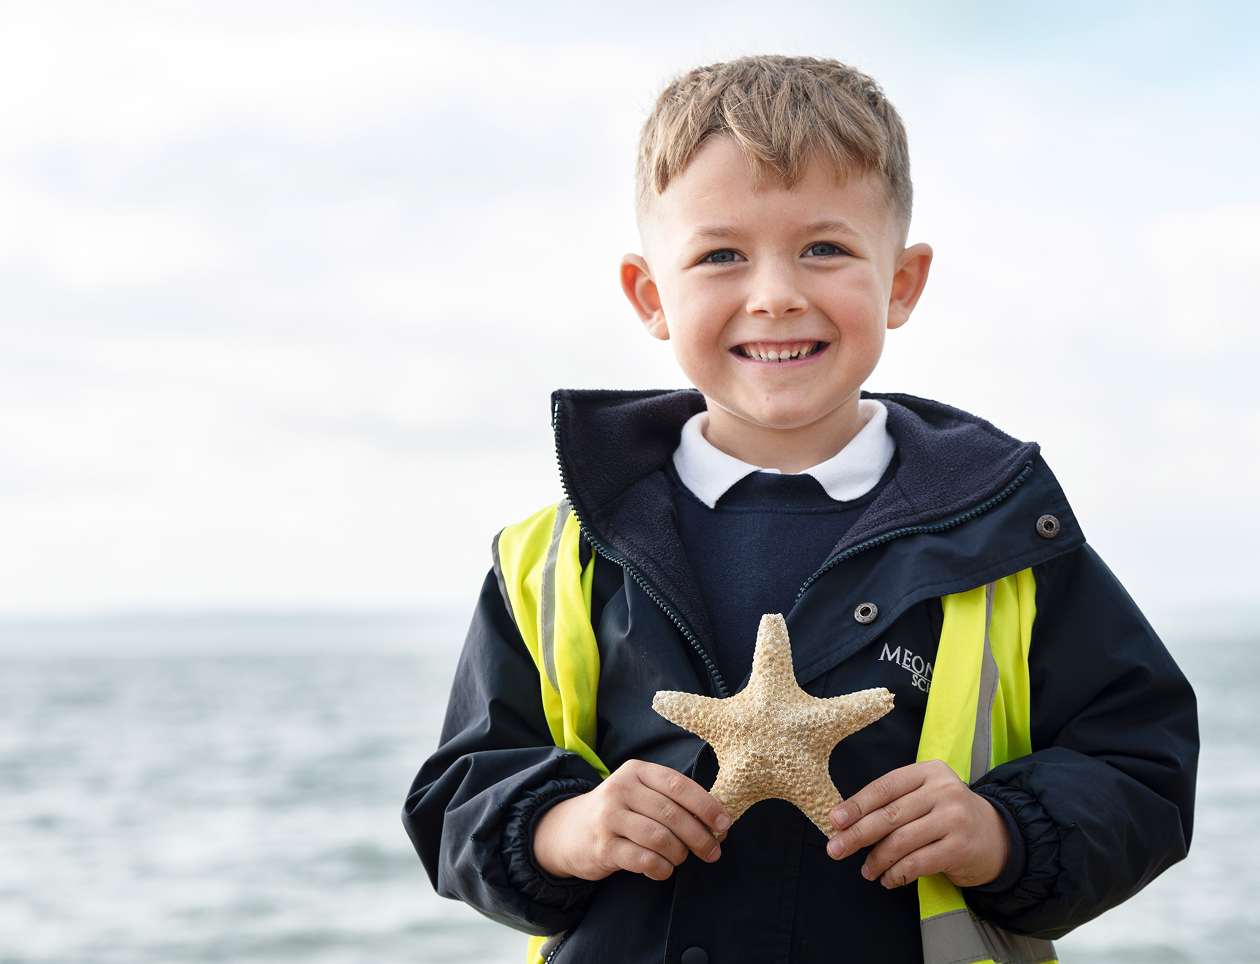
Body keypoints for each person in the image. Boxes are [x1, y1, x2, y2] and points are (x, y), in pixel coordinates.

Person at [401, 55, 1197, 964]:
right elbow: (459, 792)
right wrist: (564, 829)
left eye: (824, 248)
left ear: (901, 281)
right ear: (650, 296)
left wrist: (1004, 831)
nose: (775, 293)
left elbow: (1142, 766)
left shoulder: (1007, 536)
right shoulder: (555, 558)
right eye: (720, 255)